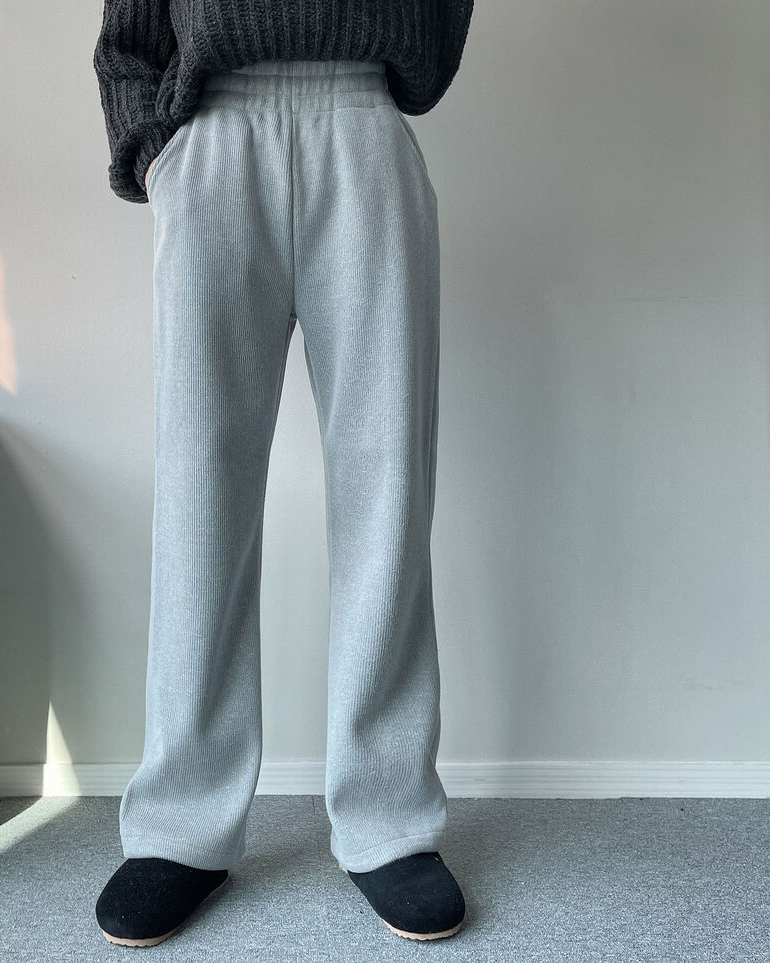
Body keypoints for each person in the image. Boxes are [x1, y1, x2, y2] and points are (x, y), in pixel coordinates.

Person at [92, 0, 474, 947]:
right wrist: (157, 151)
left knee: (388, 486)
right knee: (199, 489)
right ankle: (182, 824)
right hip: (212, 132)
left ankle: (388, 817)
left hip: (364, 119)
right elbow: (131, 32)